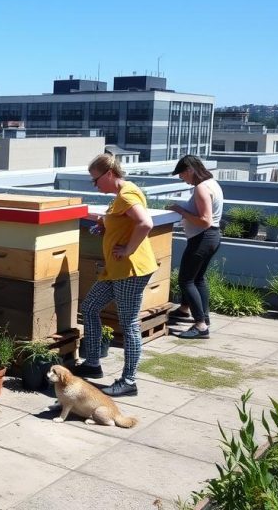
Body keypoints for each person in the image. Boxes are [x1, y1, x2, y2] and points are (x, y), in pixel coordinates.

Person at [75, 154, 158, 397]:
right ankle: (92, 364)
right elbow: (123, 221)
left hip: (131, 270)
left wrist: (128, 249)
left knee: (129, 324)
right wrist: (104, 223)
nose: (95, 185)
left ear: (109, 174)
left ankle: (129, 381)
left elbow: (145, 223)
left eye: (95, 180)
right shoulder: (120, 196)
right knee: (90, 308)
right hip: (115, 270)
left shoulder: (127, 194)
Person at [167, 155, 223, 339]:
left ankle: (200, 325)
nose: (181, 178)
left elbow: (205, 220)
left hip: (203, 237)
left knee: (186, 280)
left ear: (190, 170)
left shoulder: (201, 188)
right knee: (198, 279)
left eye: (181, 174)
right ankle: (194, 314)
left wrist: (180, 211)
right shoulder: (212, 183)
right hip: (212, 237)